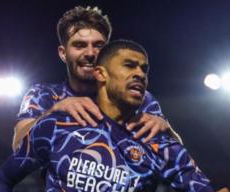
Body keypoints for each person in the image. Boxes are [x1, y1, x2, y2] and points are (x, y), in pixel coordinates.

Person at [0, 39, 230, 192]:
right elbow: (1, 180)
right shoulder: (60, 125)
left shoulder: (159, 143)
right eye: (129, 66)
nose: (139, 74)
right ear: (101, 74)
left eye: (144, 69)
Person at [11, 6, 182, 153]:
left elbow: (177, 161)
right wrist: (54, 111)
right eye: (79, 45)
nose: (91, 53)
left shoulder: (139, 98)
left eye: (99, 45)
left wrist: (168, 132)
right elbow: (18, 146)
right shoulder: (44, 95)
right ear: (63, 53)